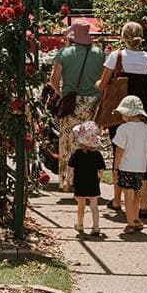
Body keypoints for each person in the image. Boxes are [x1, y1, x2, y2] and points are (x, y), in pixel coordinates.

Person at [98, 21, 147, 215]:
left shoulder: (116, 57)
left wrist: (100, 83)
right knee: (145, 154)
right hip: (143, 111)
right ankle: (144, 203)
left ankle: (117, 200)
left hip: (120, 112)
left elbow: (103, 84)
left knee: (120, 153)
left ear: (123, 37)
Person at [51, 19, 104, 192]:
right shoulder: (99, 53)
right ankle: (90, 181)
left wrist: (61, 94)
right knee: (89, 142)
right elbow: (103, 80)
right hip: (92, 103)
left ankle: (68, 181)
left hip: (71, 102)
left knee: (68, 141)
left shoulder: (64, 53)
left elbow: (54, 80)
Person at [112, 95, 147, 234]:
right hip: (140, 167)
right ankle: (135, 219)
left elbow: (119, 150)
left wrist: (116, 167)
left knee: (128, 195)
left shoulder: (123, 129)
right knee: (136, 194)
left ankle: (130, 223)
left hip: (126, 167)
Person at [68, 120, 107, 238]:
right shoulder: (97, 155)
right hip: (93, 183)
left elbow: (71, 169)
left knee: (81, 206)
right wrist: (99, 177)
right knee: (94, 206)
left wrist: (68, 180)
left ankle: (80, 224)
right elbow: (101, 170)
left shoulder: (77, 153)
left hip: (80, 183)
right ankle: (96, 226)